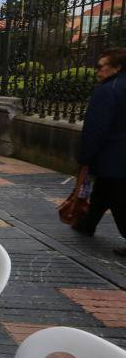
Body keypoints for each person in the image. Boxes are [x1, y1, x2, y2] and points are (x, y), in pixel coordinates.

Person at [75, 48, 126, 256]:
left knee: (119, 200)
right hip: (116, 158)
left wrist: (85, 158)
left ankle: (87, 223)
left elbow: (96, 128)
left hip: (113, 156)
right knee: (103, 191)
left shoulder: (108, 89)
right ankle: (87, 223)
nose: (97, 71)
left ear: (117, 67)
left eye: (101, 66)